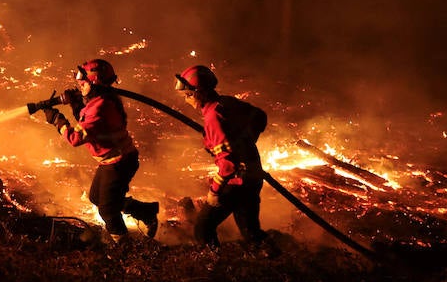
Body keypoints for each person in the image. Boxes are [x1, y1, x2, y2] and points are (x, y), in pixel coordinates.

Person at [36, 58, 160, 244]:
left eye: (83, 82)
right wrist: (75, 104)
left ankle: (125, 249)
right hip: (111, 161)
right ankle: (145, 211)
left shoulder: (100, 107)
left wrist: (56, 119)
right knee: (96, 197)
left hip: (120, 162)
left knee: (107, 210)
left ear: (95, 82)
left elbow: (75, 138)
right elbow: (85, 119)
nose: (79, 84)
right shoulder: (98, 101)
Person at [174, 64, 274, 253]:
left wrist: (214, 192)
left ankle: (216, 269)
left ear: (198, 93)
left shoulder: (213, 117)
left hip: (237, 181)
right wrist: (246, 142)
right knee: (251, 231)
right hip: (253, 175)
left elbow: (227, 165)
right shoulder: (225, 103)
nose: (186, 100)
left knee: (202, 229)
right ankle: (276, 262)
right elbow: (260, 116)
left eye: (187, 95)